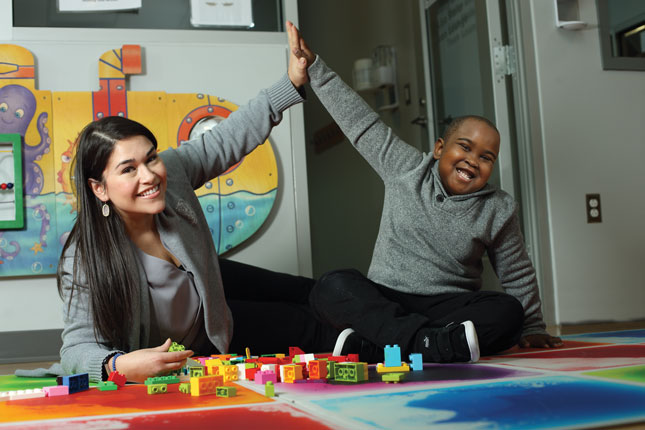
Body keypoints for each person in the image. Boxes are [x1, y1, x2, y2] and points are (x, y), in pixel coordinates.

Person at [54, 32, 339, 383]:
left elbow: (227, 139)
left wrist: (292, 82)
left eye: (151, 158)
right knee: (305, 324)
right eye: (128, 169)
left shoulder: (170, 170)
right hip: (201, 337)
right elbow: (76, 348)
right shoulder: (83, 259)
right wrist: (119, 365)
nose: (149, 176)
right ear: (99, 189)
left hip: (207, 287)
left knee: (315, 292)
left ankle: (410, 314)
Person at [286, 21, 562, 364]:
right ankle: (426, 344)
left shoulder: (498, 207)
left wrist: (533, 324)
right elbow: (360, 122)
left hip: (447, 306)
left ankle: (383, 345)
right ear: (439, 149)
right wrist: (315, 68)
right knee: (332, 286)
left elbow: (516, 271)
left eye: (486, 157)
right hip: (386, 299)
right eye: (465, 147)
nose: (473, 161)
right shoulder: (405, 167)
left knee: (507, 312)